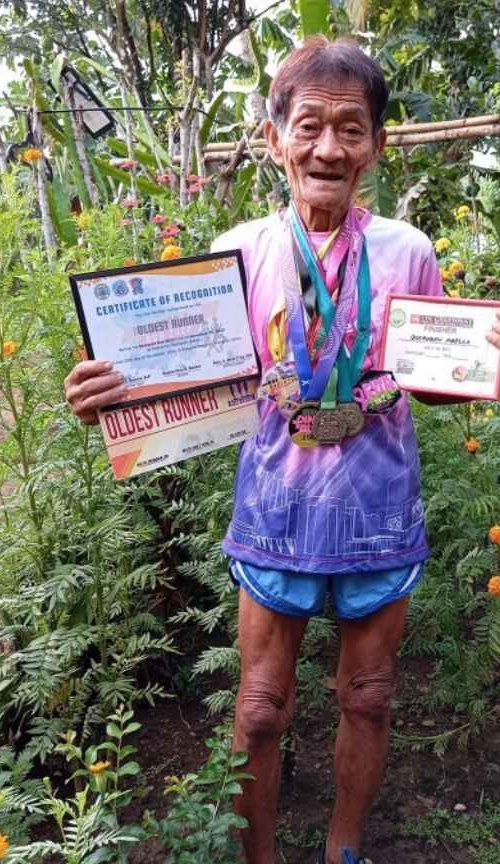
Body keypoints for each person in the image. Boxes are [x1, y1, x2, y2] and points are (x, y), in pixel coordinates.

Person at [65, 37, 500, 864]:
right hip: (276, 509)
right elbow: (180, 376)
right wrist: (108, 399)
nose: (328, 149)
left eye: (350, 128)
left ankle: (342, 853)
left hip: (377, 507)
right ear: (275, 139)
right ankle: (258, 857)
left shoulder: (406, 251)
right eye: (309, 126)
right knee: (261, 706)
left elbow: (435, 378)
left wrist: (478, 363)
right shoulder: (236, 253)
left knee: (368, 698)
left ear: (375, 144)